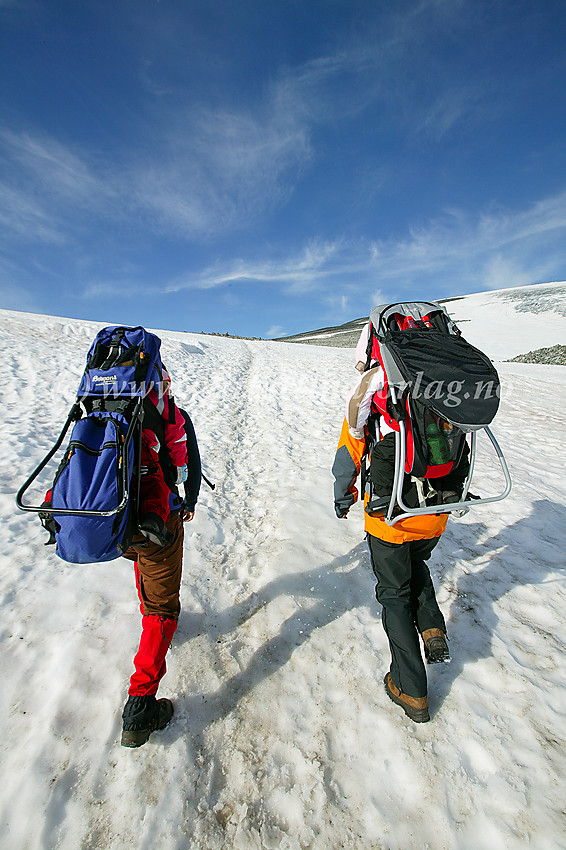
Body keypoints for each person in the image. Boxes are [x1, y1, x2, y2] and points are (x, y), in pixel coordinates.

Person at [332, 365, 451, 724]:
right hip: (437, 509)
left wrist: (343, 496)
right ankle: (432, 629)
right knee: (416, 565)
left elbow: (349, 449)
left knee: (394, 595)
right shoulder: (444, 382)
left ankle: (409, 688)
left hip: (391, 517)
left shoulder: (374, 388)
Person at [120, 370, 201, 748]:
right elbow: (187, 465)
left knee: (144, 567)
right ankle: (140, 705)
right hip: (157, 519)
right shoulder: (169, 414)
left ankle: (152, 615)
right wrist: (189, 501)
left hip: (112, 520)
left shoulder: (104, 411)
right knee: (162, 609)